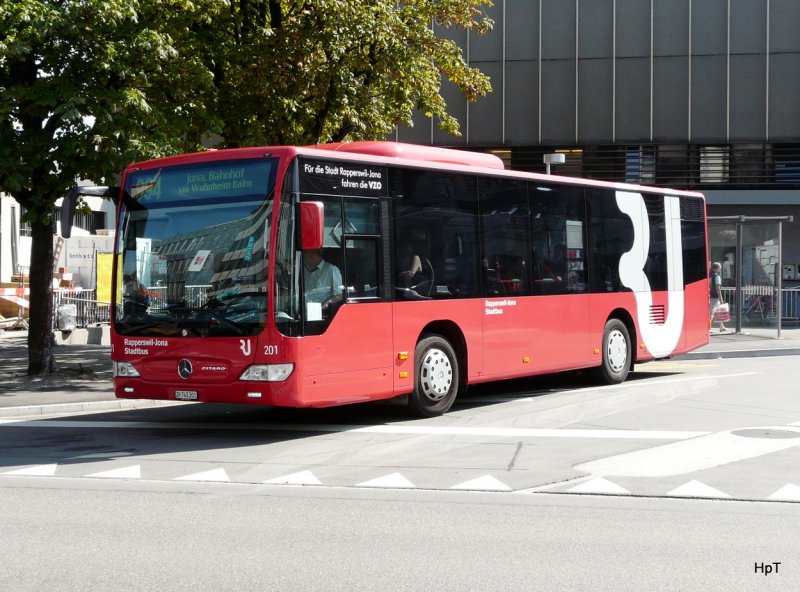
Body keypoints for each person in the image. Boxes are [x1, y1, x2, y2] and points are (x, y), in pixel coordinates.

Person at [709, 261, 727, 332]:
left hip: (711, 295)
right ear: (717, 268)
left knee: (719, 311)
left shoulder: (710, 275)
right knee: (711, 312)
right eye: (720, 268)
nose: (720, 269)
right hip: (715, 297)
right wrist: (721, 299)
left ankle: (721, 326)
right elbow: (718, 288)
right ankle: (708, 328)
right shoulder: (717, 277)